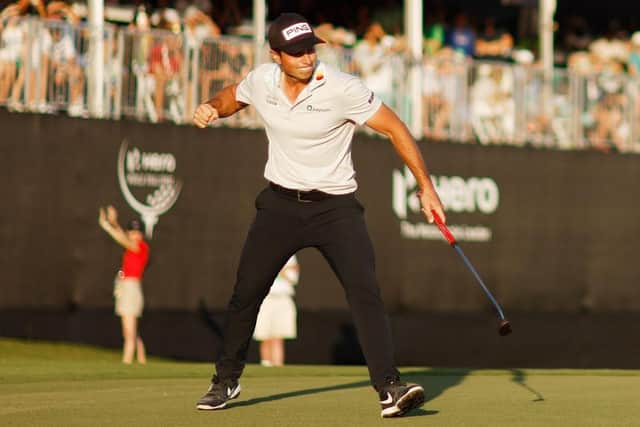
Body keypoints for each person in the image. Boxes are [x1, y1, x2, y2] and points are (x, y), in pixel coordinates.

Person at [192, 13, 445, 418]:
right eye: (295, 52)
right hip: (278, 206)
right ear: (276, 55)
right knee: (247, 293)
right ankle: (226, 380)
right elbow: (232, 96)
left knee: (364, 292)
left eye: (310, 48)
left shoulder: (343, 88)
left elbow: (397, 129)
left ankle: (389, 387)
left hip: (335, 208)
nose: (306, 57)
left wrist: (426, 187)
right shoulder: (262, 81)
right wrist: (211, 107)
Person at [98, 206, 149, 365]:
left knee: (129, 332)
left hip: (132, 288)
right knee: (131, 330)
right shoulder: (131, 245)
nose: (134, 235)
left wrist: (108, 225)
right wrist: (114, 223)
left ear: (141, 234)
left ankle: (127, 362)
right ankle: (141, 360)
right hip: (125, 287)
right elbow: (123, 238)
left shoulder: (141, 247)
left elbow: (123, 240)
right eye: (132, 232)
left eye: (137, 232)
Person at [253, 254, 299, 367]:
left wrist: (278, 270)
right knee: (265, 337)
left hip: (283, 298)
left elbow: (293, 277)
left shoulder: (290, 256)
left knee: (278, 337)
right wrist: (281, 269)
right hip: (266, 299)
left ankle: (278, 366)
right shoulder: (262, 253)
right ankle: (266, 365)